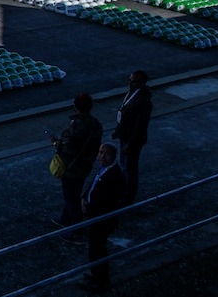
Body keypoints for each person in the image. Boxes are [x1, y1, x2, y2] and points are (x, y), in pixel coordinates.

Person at [51, 93, 103, 241]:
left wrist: (56, 143)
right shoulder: (95, 124)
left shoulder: (76, 126)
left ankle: (76, 231)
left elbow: (67, 148)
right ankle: (65, 219)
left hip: (71, 168)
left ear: (75, 107)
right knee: (73, 193)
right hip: (85, 165)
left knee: (72, 198)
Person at [78, 143, 125, 294]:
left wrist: (88, 208)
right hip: (95, 216)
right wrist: (84, 198)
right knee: (94, 249)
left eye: (106, 154)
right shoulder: (104, 169)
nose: (102, 157)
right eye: (100, 153)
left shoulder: (115, 175)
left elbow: (106, 200)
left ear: (114, 156)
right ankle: (95, 275)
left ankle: (100, 281)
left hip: (101, 220)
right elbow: (92, 186)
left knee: (98, 250)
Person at [112, 70, 152, 205]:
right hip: (125, 135)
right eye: (130, 80)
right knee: (124, 166)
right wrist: (117, 130)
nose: (130, 82)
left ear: (142, 83)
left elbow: (140, 126)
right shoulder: (132, 93)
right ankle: (124, 191)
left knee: (130, 169)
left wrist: (131, 144)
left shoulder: (143, 101)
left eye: (134, 81)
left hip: (132, 140)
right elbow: (123, 113)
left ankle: (129, 196)